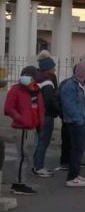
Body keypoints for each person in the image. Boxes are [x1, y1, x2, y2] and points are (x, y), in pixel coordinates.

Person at [4, 66, 45, 195]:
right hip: (22, 128)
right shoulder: (16, 90)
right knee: (23, 156)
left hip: (32, 127)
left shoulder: (36, 90)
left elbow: (39, 108)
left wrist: (39, 123)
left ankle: (21, 181)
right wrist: (22, 120)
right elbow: (8, 109)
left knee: (26, 156)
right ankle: (19, 184)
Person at [58, 63, 85, 188]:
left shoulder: (81, 84)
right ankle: (72, 177)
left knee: (78, 149)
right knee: (76, 150)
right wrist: (79, 119)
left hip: (82, 120)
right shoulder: (70, 86)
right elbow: (68, 105)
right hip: (75, 122)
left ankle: (76, 174)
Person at [32, 51, 58, 178]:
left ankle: (36, 164)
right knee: (43, 141)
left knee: (39, 141)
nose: (55, 69)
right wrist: (57, 110)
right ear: (48, 68)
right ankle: (39, 166)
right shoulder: (47, 83)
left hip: (38, 114)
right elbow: (50, 101)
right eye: (53, 67)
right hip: (46, 116)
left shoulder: (38, 79)